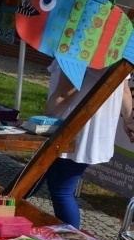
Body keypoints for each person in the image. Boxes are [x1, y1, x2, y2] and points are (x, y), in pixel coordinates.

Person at [29, 61, 134, 228]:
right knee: (37, 177)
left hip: (72, 127)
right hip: (93, 130)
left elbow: (65, 93)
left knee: (56, 186)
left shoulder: (80, 45)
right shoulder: (117, 47)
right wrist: (129, 121)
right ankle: (3, 210)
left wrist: (37, 124)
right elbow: (125, 90)